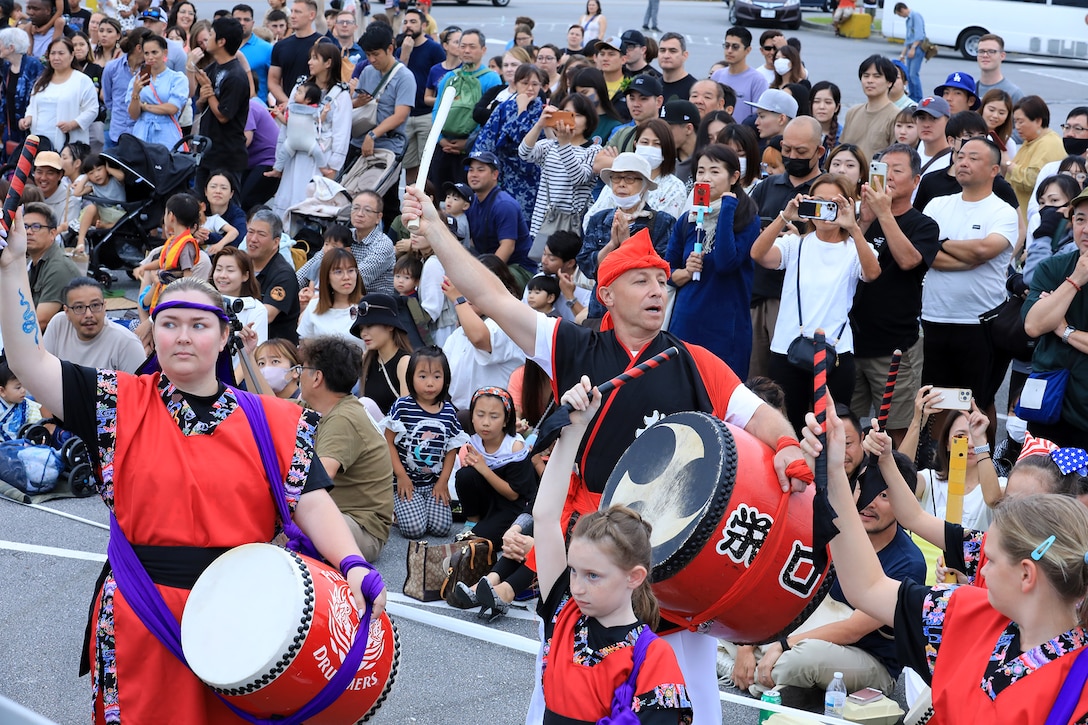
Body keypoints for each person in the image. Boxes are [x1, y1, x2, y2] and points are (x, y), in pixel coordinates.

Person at [402, 183, 813, 725]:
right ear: (607, 294)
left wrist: (784, 445)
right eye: (640, 280)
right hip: (592, 549)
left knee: (683, 693)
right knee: (567, 682)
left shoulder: (694, 362)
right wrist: (434, 230)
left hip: (671, 557)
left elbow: (758, 415)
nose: (656, 290)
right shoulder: (572, 346)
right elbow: (493, 299)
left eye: (663, 281)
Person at [0, 208, 387, 722]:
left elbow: (311, 500)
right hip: (143, 609)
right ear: (152, 333)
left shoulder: (274, 419)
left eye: (198, 325)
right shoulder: (116, 402)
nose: (183, 336)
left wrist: (352, 565)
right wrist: (11, 267)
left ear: (224, 337)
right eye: (169, 324)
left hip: (246, 618)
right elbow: (28, 360)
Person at [799, 401, 1088, 725]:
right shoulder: (966, 608)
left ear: (1026, 574)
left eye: (989, 560)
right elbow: (867, 587)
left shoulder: (1079, 689)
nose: (980, 569)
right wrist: (833, 476)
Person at [534, 377, 692, 723]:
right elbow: (544, 518)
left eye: (593, 575)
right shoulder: (564, 613)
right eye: (573, 570)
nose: (576, 586)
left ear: (634, 577)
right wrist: (575, 430)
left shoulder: (652, 658)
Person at [751, 172, 881, 431]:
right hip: (788, 349)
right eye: (818, 202)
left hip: (836, 352)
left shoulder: (854, 248)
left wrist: (854, 226)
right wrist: (786, 216)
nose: (825, 210)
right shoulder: (795, 244)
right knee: (790, 425)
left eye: (833, 204)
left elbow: (872, 273)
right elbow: (758, 254)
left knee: (834, 426)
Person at [920, 137, 1019, 420]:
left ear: (994, 171)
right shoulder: (937, 205)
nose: (962, 161)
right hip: (934, 318)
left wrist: (941, 242)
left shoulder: (1001, 211)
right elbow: (923, 251)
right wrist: (966, 255)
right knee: (936, 402)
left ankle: (983, 461)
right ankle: (938, 464)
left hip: (979, 322)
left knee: (976, 404)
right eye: (960, 155)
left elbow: (984, 249)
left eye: (973, 158)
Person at [849, 144, 939, 445]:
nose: (888, 177)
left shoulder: (923, 225)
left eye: (897, 171)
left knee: (898, 430)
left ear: (915, 181)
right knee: (844, 421)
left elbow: (908, 260)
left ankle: (899, 487)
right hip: (851, 341)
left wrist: (883, 213)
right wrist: (863, 220)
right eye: (882, 170)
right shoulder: (863, 218)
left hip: (894, 345)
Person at [666, 143, 760, 380]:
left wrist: (728, 208)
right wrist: (686, 273)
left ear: (734, 177)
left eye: (715, 171)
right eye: (700, 171)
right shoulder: (688, 219)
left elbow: (726, 262)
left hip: (726, 326)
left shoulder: (747, 218)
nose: (705, 177)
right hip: (687, 320)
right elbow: (666, 271)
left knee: (720, 395)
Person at [299, 334, 394, 562]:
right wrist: (248, 355)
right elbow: (267, 407)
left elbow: (319, 479)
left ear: (317, 378)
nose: (297, 374)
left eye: (301, 368)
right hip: (343, 519)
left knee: (282, 531)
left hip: (362, 529)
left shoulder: (343, 417)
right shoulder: (322, 406)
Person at [748, 116, 826, 379]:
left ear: (819, 151)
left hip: (801, 302)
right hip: (759, 295)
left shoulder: (825, 191)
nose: (792, 156)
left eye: (801, 152)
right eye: (787, 149)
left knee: (792, 377)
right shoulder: (766, 186)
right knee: (756, 378)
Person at [1022, 186, 1088, 447]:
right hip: (1048, 405)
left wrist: (1064, 331)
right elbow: (1034, 325)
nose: (1086, 229)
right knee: (1040, 484)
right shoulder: (1054, 267)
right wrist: (1076, 279)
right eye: (1081, 219)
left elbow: (1050, 324)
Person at [380, 345, 468, 539]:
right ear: (411, 377)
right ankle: (398, 509)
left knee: (441, 528)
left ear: (445, 379)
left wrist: (443, 482)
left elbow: (452, 450)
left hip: (433, 482)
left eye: (437, 376)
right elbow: (388, 442)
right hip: (405, 481)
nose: (430, 383)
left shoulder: (448, 411)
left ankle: (419, 507)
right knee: (414, 530)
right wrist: (401, 476)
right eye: (423, 376)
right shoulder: (403, 406)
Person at [578, 152, 676, 321]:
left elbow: (661, 270)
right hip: (601, 310)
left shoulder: (663, 222)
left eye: (630, 178)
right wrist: (611, 245)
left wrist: (626, 244)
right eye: (616, 178)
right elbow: (587, 266)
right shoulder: (599, 219)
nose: (622, 184)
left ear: (645, 185)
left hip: (639, 312)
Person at [454, 386, 538, 547]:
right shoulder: (474, 440)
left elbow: (514, 495)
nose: (485, 423)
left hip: (513, 506)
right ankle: (473, 520)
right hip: (489, 498)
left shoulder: (514, 447)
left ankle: (486, 527)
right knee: (465, 475)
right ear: (471, 417)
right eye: (480, 415)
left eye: (494, 416)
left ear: (506, 420)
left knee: (479, 541)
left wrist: (483, 468)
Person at [519, 93, 602, 243]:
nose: (571, 120)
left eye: (576, 115)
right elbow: (524, 153)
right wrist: (540, 125)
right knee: (542, 263)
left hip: (571, 225)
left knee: (566, 264)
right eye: (566, 114)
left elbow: (579, 178)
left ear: (588, 120)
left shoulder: (593, 150)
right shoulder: (550, 145)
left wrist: (564, 144)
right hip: (543, 222)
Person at [468, 62, 544, 224]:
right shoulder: (503, 108)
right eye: (525, 83)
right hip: (503, 175)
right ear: (515, 84)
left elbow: (523, 139)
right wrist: (481, 170)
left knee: (525, 225)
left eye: (535, 84)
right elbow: (486, 140)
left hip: (532, 177)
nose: (530, 88)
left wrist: (522, 110)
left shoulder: (543, 112)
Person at [42, 277, 145, 371]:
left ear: (104, 307)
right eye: (79, 307)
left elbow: (142, 388)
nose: (88, 314)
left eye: (95, 305)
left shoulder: (127, 343)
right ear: (67, 312)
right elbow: (43, 368)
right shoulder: (59, 324)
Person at [194, 17, 250, 191]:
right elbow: (199, 105)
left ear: (221, 41)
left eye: (211, 35)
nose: (207, 39)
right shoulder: (212, 68)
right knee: (200, 206)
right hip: (207, 151)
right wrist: (203, 97)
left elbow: (224, 115)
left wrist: (209, 92)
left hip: (227, 156)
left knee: (225, 208)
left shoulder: (236, 76)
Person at [462, 149, 536, 277]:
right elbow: (472, 241)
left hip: (517, 268)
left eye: (480, 170)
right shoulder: (472, 201)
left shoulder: (504, 205)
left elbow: (507, 247)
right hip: (486, 261)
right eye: (471, 170)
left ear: (495, 175)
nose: (474, 174)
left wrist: (485, 275)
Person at [394, 7, 445, 187]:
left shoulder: (434, 49)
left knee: (426, 165)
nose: (408, 26)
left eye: (413, 22)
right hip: (406, 115)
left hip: (426, 115)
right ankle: (410, 202)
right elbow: (396, 78)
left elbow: (441, 78)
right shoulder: (401, 50)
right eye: (405, 22)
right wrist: (405, 55)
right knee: (409, 165)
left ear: (424, 25)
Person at [22, 38, 98, 152]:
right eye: (53, 53)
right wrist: (28, 118)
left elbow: (92, 110)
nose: (56, 57)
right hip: (40, 141)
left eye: (61, 53)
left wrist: (72, 125)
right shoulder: (41, 81)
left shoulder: (82, 80)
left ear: (72, 55)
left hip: (67, 142)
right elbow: (32, 106)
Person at [22, 202, 80, 333]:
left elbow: (40, 322)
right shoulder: (33, 261)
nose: (28, 232)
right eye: (24, 226)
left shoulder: (58, 267)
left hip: (56, 346)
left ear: (52, 233)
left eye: (36, 227)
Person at [1007, 95, 1066, 222]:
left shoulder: (1048, 143)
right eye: (1015, 122)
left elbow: (1033, 179)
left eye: (1021, 121)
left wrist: (1007, 164)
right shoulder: (1031, 140)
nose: (1017, 127)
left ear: (1038, 121)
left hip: (1033, 220)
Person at [246, 208, 301, 343]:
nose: (253, 239)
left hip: (275, 350)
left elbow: (267, 315)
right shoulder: (241, 265)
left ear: (276, 242)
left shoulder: (283, 274)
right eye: (250, 232)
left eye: (261, 234)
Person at [351, 292, 411, 415]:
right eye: (361, 328)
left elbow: (407, 413)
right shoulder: (367, 360)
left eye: (369, 326)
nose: (363, 334)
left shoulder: (404, 362)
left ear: (390, 326)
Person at [126, 34, 188, 147]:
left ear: (164, 53)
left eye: (154, 52)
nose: (150, 57)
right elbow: (133, 115)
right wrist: (135, 94)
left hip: (167, 134)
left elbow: (172, 108)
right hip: (142, 133)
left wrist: (144, 106)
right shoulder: (137, 79)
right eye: (146, 53)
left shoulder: (177, 78)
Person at [297, 247, 364, 345]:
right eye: (338, 272)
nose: (346, 277)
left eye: (351, 270)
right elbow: (305, 347)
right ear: (327, 277)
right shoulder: (314, 306)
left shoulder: (366, 307)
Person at [840, 54, 898, 161]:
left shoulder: (896, 116)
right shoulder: (852, 112)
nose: (870, 80)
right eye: (866, 76)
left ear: (889, 82)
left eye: (877, 76)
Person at [0, 28, 43, 163]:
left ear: (11, 47)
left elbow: (38, 96)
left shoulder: (33, 65)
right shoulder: (6, 66)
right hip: (10, 127)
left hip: (28, 127)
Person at [101, 26, 149, 148]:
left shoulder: (150, 71)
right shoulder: (112, 67)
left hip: (141, 135)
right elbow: (108, 99)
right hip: (116, 132)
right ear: (139, 48)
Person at [268, 0, 321, 106]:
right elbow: (273, 81)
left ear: (311, 15)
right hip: (288, 108)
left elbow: (328, 79)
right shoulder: (281, 46)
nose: (292, 16)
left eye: (298, 12)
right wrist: (287, 102)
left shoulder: (322, 44)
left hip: (316, 107)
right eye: (291, 11)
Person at [209, 246, 267, 343]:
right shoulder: (205, 301)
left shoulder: (256, 309)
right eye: (218, 269)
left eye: (230, 270)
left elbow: (257, 353)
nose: (222, 275)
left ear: (245, 276)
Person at [710, 26, 767, 124]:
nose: (729, 51)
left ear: (748, 50)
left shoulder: (757, 80)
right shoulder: (717, 75)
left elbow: (758, 115)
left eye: (735, 47)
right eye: (727, 46)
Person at [975, 33, 1024, 104]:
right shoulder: (970, 90)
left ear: (1002, 56)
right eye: (981, 51)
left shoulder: (1013, 94)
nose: (985, 55)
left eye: (991, 51)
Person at [0, 362, 43, 441]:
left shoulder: (29, 406)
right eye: (18, 387)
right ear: (2, 391)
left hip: (23, 446)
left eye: (24, 385)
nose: (23, 390)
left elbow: (36, 426)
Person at [913, 96, 952, 176]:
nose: (926, 125)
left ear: (948, 121)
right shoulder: (913, 155)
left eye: (933, 118)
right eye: (921, 118)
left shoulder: (952, 161)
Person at [893, 2, 925, 101]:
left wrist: (913, 48)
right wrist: (903, 54)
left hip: (917, 48)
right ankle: (912, 95)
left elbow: (920, 35)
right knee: (909, 74)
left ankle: (918, 97)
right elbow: (908, 39)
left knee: (913, 74)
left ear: (902, 10)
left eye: (899, 14)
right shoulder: (908, 20)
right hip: (911, 47)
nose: (901, 16)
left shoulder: (915, 16)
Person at [657, 32, 694, 103]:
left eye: (673, 51)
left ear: (685, 55)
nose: (666, 56)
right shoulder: (653, 87)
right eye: (662, 50)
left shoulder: (693, 90)